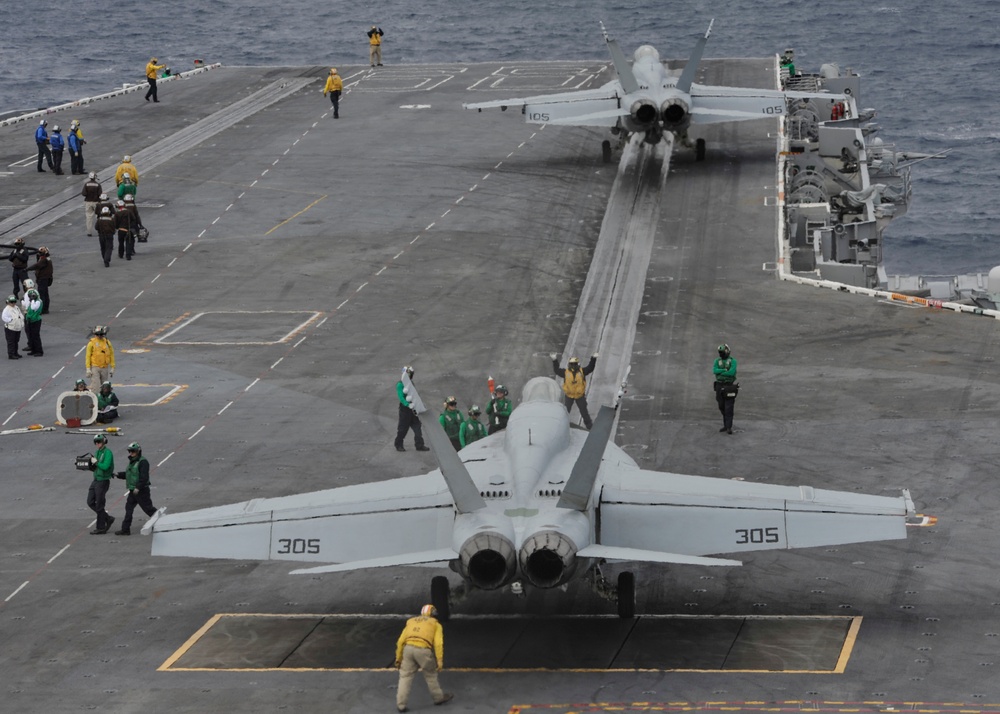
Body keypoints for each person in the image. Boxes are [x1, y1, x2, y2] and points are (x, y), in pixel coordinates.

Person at [394, 604, 453, 712]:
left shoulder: (410, 622)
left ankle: (401, 705)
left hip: (408, 650)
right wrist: (439, 660)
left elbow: (401, 641)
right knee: (430, 675)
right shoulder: (436, 624)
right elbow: (438, 643)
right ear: (433, 614)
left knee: (405, 677)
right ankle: (438, 698)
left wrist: (398, 658)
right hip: (423, 650)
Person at [113, 442, 158, 535]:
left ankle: (163, 522)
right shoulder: (133, 461)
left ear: (138, 451)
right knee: (128, 508)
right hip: (133, 491)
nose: (131, 453)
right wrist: (118, 474)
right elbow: (129, 475)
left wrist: (138, 487)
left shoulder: (143, 462)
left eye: (133, 451)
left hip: (141, 491)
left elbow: (144, 477)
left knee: (148, 509)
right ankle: (125, 529)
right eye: (130, 451)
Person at [551, 353, 598, 429]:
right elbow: (556, 370)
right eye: (572, 364)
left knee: (584, 412)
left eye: (574, 364)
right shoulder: (565, 373)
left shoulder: (582, 371)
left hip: (579, 396)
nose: (573, 366)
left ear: (577, 364)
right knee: (565, 412)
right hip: (569, 396)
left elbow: (590, 368)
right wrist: (554, 360)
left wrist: (593, 359)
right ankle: (561, 426)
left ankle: (590, 427)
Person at [395, 365, 430, 452]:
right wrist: (407, 404)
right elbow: (401, 397)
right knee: (402, 429)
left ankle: (419, 445)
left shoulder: (411, 383)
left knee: (417, 427)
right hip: (405, 410)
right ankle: (398, 444)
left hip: (413, 408)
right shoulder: (400, 385)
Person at [87, 434, 115, 535]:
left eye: (99, 442)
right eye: (96, 442)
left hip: (103, 481)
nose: (97, 444)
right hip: (96, 479)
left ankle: (101, 527)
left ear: (104, 442)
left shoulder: (108, 453)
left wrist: (96, 462)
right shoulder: (97, 452)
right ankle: (108, 518)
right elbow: (96, 467)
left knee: (99, 505)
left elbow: (105, 466)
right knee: (90, 502)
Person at [712, 343, 739, 434]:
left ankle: (728, 427)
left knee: (729, 407)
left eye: (722, 352)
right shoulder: (717, 360)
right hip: (719, 385)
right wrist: (724, 370)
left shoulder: (733, 361)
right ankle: (726, 424)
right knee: (721, 406)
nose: (721, 354)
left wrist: (720, 373)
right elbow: (714, 370)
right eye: (720, 352)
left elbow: (731, 373)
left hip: (729, 386)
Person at [26, 247, 52, 314]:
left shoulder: (44, 260)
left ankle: (42, 309)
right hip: (45, 278)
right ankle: (46, 309)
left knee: (42, 294)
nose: (39, 254)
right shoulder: (47, 259)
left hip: (43, 279)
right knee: (45, 294)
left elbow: (37, 265)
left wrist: (27, 269)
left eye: (40, 253)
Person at [21, 287, 42, 356]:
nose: (31, 297)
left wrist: (32, 300)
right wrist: (23, 301)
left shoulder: (38, 301)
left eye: (32, 296)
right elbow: (27, 307)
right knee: (31, 336)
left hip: (36, 320)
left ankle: (39, 351)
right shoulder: (32, 301)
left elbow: (33, 308)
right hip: (30, 320)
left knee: (36, 336)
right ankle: (33, 350)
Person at [2, 295, 23, 359]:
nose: (13, 303)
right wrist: (11, 321)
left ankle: (15, 352)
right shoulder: (7, 309)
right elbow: (4, 317)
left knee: (16, 341)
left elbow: (20, 314)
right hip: (10, 328)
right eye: (12, 302)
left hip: (17, 328)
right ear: (8, 302)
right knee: (11, 342)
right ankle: (11, 354)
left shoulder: (16, 307)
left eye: (14, 301)